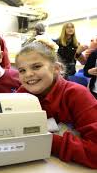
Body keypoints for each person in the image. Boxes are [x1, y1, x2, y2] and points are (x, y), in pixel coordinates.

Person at [15, 39, 97, 168]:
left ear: (56, 68)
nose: (28, 74)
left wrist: (45, 140)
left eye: (36, 66)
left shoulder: (77, 95)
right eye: (22, 70)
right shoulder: (21, 95)